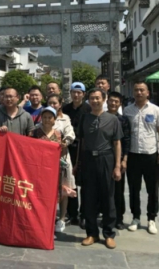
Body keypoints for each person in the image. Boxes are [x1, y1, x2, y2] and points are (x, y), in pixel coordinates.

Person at [78, 88, 122, 249]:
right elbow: (81, 142)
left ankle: (109, 234)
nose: (95, 101)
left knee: (108, 196)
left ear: (104, 99)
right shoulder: (85, 118)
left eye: (98, 98)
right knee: (89, 196)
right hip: (88, 159)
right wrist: (78, 163)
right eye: (92, 98)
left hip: (106, 158)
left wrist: (117, 166)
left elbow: (117, 143)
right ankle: (92, 233)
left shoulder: (113, 119)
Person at [124, 81, 159, 235]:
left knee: (153, 189)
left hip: (151, 155)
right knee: (133, 189)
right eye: (136, 90)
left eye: (142, 90)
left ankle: (151, 218)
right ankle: (135, 217)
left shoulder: (156, 110)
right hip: (133, 155)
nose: (139, 92)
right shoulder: (127, 111)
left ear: (147, 93)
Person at [43, 95, 76, 233]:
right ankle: (47, 217)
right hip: (44, 164)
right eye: (50, 103)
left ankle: (61, 218)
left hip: (61, 160)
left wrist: (65, 142)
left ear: (60, 104)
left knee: (63, 190)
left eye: (55, 103)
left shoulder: (65, 119)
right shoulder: (38, 128)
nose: (52, 105)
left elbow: (70, 134)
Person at [62, 81, 91, 227]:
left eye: (79, 93)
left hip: (84, 148)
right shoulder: (65, 109)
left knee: (85, 183)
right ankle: (72, 213)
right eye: (74, 92)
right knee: (69, 181)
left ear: (83, 94)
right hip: (69, 149)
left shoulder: (88, 109)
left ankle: (85, 213)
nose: (76, 95)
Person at [107, 92, 131, 230]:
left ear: (120, 104)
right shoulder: (101, 117)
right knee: (104, 189)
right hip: (104, 157)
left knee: (118, 190)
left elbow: (126, 140)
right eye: (111, 101)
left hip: (118, 158)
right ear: (107, 102)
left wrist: (124, 159)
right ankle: (106, 216)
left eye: (116, 101)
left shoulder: (123, 120)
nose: (113, 103)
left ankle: (119, 218)